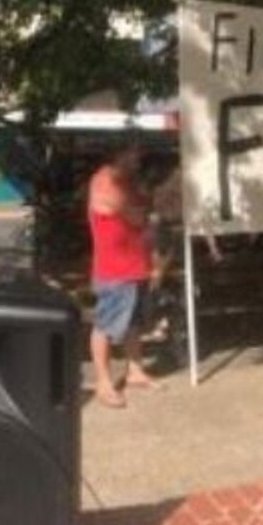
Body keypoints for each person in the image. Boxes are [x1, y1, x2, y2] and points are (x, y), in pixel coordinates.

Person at [87, 143, 158, 408]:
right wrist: (140, 214)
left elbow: (143, 213)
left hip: (136, 264)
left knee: (134, 324)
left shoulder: (128, 182)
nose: (138, 159)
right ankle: (103, 383)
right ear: (118, 153)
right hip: (114, 268)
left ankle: (135, 371)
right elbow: (135, 215)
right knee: (106, 324)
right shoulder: (104, 180)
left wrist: (142, 214)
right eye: (133, 153)